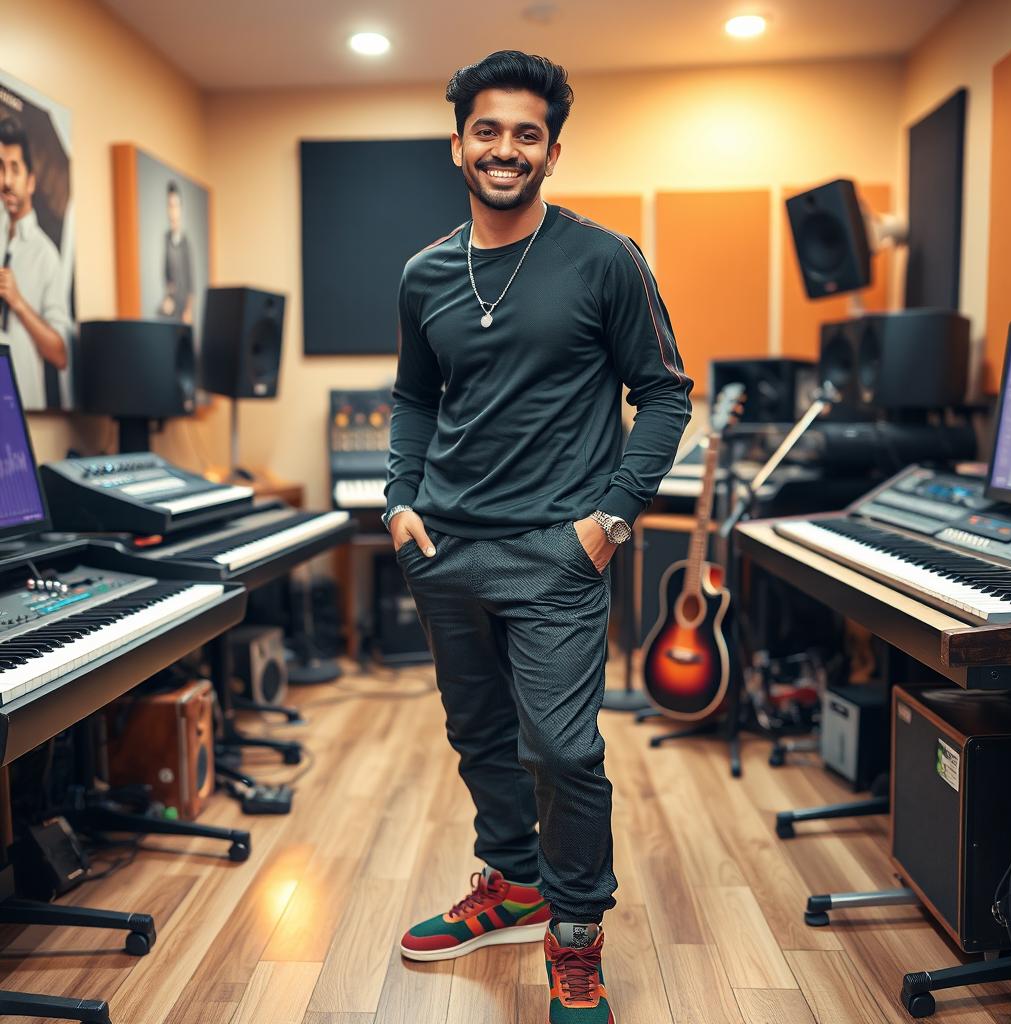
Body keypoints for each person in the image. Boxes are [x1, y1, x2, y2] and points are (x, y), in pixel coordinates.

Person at [383, 51, 692, 1024]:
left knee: (562, 752)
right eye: (488, 130)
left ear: (552, 149)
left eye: (525, 133)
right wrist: (400, 502)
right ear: (458, 143)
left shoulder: (604, 259)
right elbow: (412, 396)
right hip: (445, 548)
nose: (504, 148)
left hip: (560, 553)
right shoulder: (423, 272)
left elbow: (666, 392)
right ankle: (512, 884)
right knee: (478, 737)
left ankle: (574, 934)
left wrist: (608, 520)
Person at [0, 117, 70, 411]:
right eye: (1, 168)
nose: (6, 180)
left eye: (15, 169)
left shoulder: (46, 255)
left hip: (22, 409)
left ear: (30, 182)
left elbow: (60, 354)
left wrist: (18, 303)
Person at [159, 180, 194, 323]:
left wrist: (188, 310)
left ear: (180, 208)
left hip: (183, 308)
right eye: (170, 206)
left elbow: (191, 282)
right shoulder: (166, 239)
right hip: (171, 306)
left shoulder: (185, 243)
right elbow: (166, 275)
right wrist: (168, 296)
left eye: (175, 206)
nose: (173, 211)